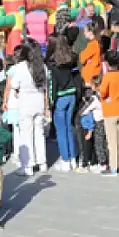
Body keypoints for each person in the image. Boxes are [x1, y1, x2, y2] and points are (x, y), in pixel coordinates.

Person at [3, 43, 49, 176]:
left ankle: (27, 166)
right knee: (39, 133)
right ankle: (42, 162)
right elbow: (46, 86)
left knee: (26, 134)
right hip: (39, 101)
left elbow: (14, 84)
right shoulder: (43, 66)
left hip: (25, 102)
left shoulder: (21, 67)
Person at [49, 35, 78, 171]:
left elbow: (52, 85)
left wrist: (50, 102)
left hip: (60, 97)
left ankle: (65, 160)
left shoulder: (53, 64)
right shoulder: (71, 59)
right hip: (72, 94)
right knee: (68, 127)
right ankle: (72, 158)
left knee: (61, 130)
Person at [100, 51, 119, 177]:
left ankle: (113, 167)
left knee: (111, 141)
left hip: (110, 110)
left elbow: (102, 92)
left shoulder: (107, 76)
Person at [76, 76, 108, 173]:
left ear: (94, 86)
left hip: (98, 121)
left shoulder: (94, 98)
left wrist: (81, 110)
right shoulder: (103, 95)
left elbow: (84, 111)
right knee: (103, 142)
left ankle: (102, 164)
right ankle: (102, 161)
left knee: (98, 143)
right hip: (105, 119)